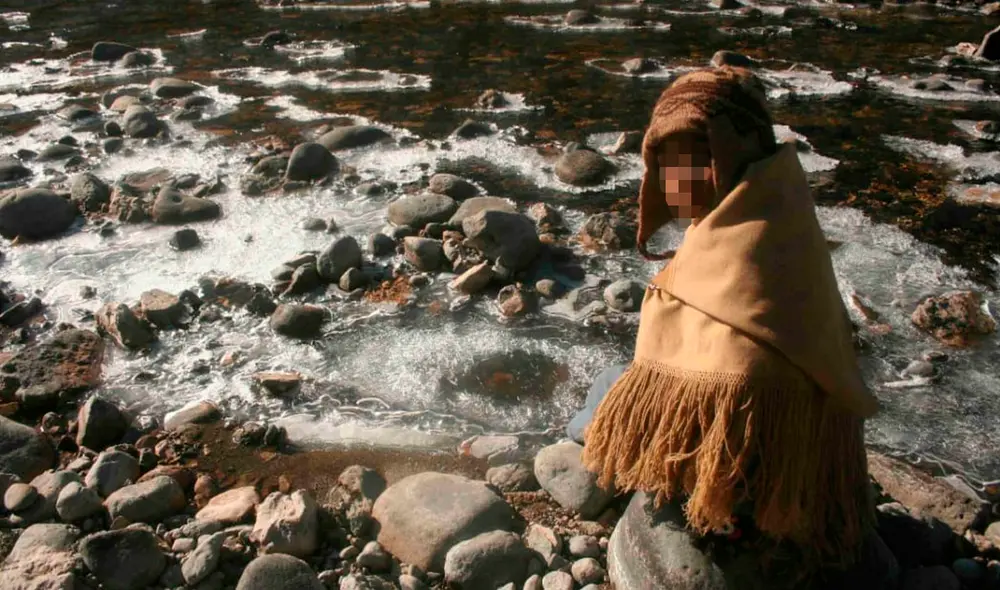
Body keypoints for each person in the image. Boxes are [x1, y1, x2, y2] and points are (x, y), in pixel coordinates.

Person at [578, 66, 881, 579]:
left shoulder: (735, 247)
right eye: (661, 164)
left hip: (738, 472)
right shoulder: (780, 206)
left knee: (604, 396)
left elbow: (719, 385)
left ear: (728, 157)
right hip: (798, 454)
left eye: (685, 163)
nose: (668, 181)